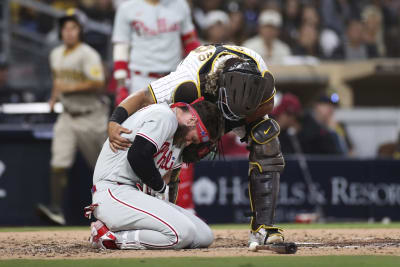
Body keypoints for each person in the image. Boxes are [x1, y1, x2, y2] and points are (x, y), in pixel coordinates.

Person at [108, 44, 285, 247]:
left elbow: (267, 107)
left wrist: (229, 125)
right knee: (173, 140)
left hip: (240, 110)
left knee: (266, 136)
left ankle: (263, 228)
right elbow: (143, 97)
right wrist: (115, 120)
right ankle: (155, 219)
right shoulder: (188, 82)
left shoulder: (262, 80)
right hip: (201, 104)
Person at [88, 99, 224, 249]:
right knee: (182, 234)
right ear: (192, 120)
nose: (190, 142)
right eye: (193, 138)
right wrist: (160, 188)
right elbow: (137, 156)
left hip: (134, 196)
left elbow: (164, 179)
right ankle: (109, 238)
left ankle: (119, 231)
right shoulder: (165, 116)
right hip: (113, 191)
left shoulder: (178, 140)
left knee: (204, 236)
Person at [37, 12, 108, 225]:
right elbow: (58, 81)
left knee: (103, 168)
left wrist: (70, 88)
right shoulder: (55, 54)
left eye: (73, 28)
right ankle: (56, 209)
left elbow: (98, 83)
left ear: (80, 31)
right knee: (59, 162)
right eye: (65, 28)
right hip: (67, 115)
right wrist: (53, 97)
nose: (69, 32)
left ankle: (113, 210)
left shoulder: (88, 54)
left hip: (91, 116)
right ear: (60, 32)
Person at [112, 0, 200, 105]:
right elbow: (121, 47)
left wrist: (198, 70)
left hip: (173, 77)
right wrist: (121, 85)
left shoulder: (180, 4)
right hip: (142, 78)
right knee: (142, 120)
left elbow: (190, 41)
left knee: (175, 120)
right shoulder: (127, 7)